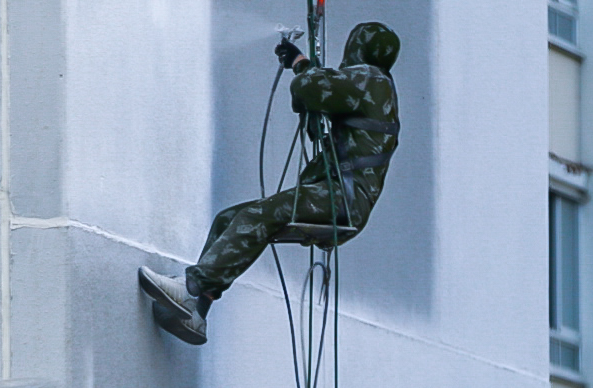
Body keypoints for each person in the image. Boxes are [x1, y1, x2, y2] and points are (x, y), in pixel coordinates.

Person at [140, 20, 402, 345]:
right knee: (230, 219)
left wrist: (297, 63)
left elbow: (310, 89)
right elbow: (328, 89)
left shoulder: (370, 79)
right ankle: (197, 310)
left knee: (257, 217)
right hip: (340, 199)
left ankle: (191, 288)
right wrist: (303, 63)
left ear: (358, 47)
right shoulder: (375, 88)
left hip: (340, 198)